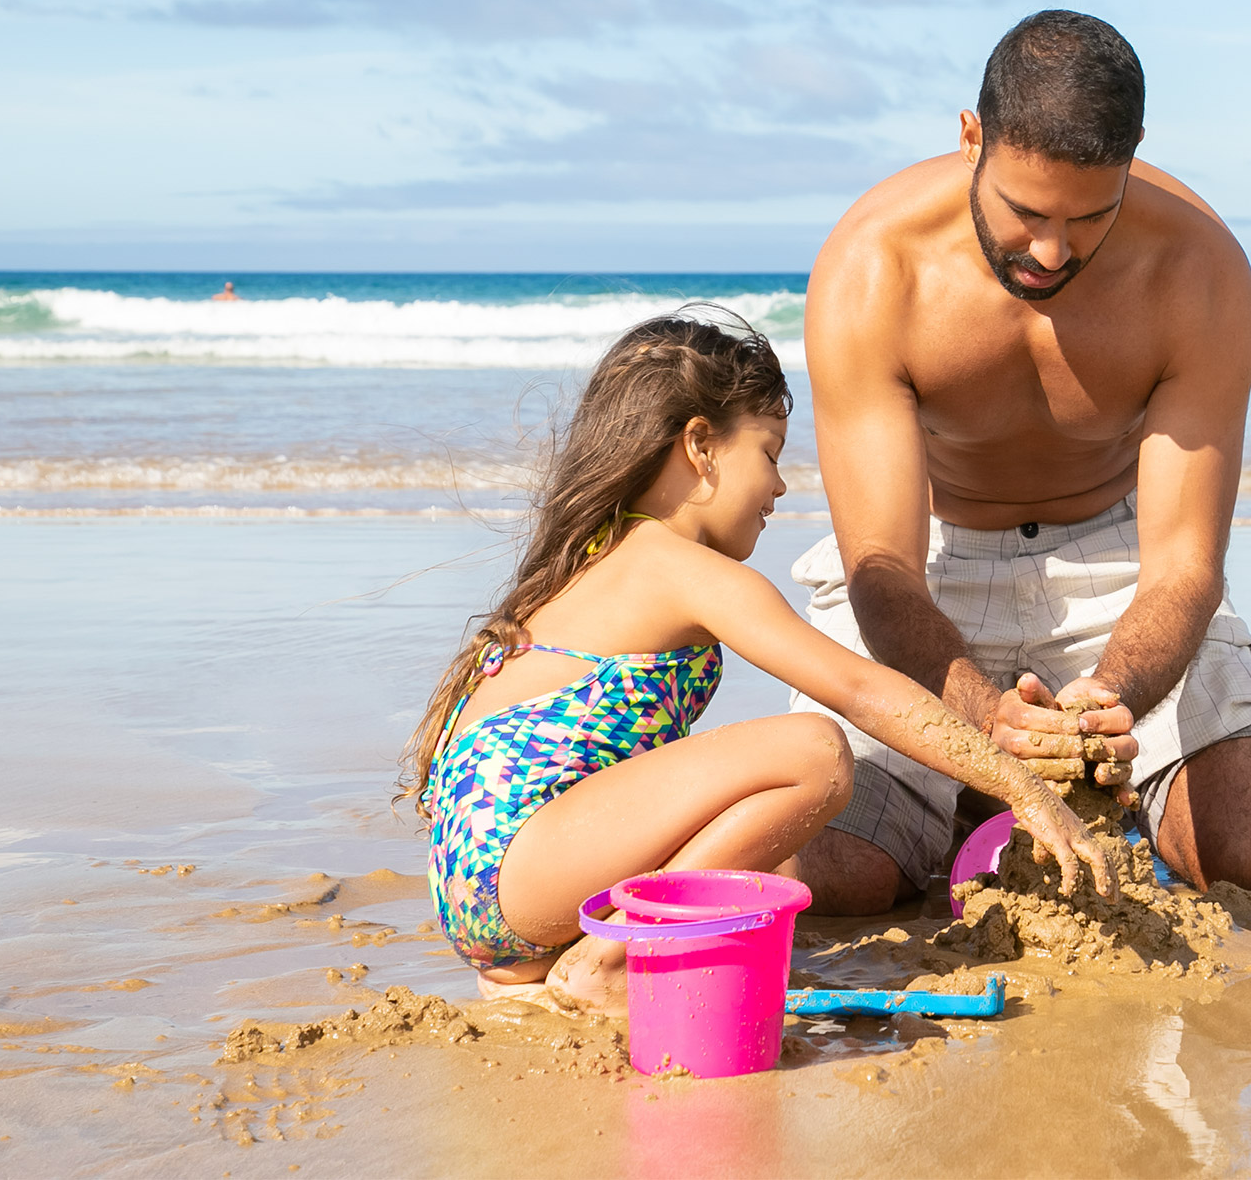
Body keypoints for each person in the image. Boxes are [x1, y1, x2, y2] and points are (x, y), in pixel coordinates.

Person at [401, 312, 1110, 1009]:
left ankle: (545, 964)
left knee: (767, 849)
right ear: (701, 445)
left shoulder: (594, 559)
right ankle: (611, 956)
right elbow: (857, 688)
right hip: (519, 864)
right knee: (815, 751)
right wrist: (1020, 786)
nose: (778, 487)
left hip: (488, 886)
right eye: (770, 453)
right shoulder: (674, 565)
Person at [788, 10, 1251, 917]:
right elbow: (879, 566)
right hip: (931, 564)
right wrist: (982, 716)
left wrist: (1114, 699)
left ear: (1134, 156)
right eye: (1026, 212)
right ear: (970, 139)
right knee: (831, 881)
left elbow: (1186, 564)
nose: (1051, 251)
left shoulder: (1197, 270)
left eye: (1090, 216)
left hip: (1121, 566)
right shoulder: (872, 268)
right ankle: (972, 798)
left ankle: (1232, 769)